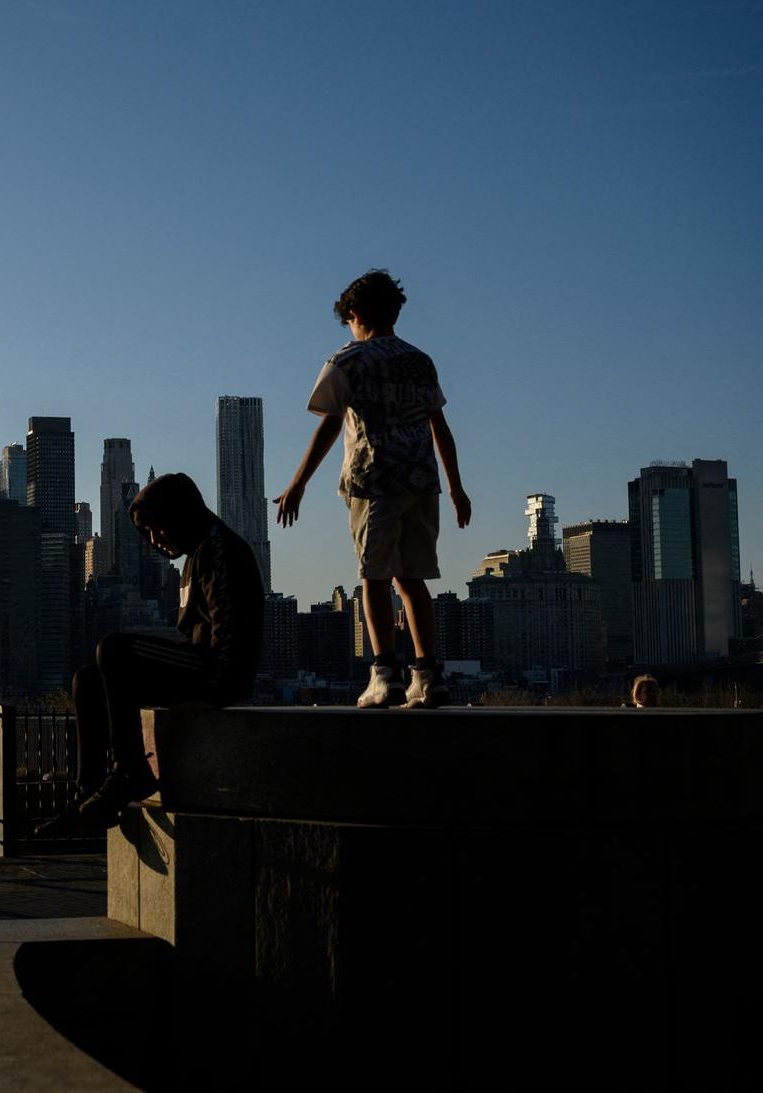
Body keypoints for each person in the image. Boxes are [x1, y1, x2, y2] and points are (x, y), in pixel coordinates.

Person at [275, 269, 471, 709]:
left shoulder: (348, 361)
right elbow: (440, 426)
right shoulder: (421, 361)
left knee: (374, 577)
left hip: (374, 480)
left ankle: (385, 674)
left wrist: (298, 483)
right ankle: (429, 675)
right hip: (422, 482)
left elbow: (329, 424)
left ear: (355, 314)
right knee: (413, 579)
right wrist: (457, 488)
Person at [40, 472, 264, 835]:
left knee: (113, 648)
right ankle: (88, 796)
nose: (154, 542)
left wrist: (216, 693)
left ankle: (131, 770)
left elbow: (232, 637)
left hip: (215, 672)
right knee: (87, 680)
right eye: (146, 535)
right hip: (196, 664)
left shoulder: (218, 549)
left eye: (157, 529)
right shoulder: (194, 557)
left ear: (179, 516)